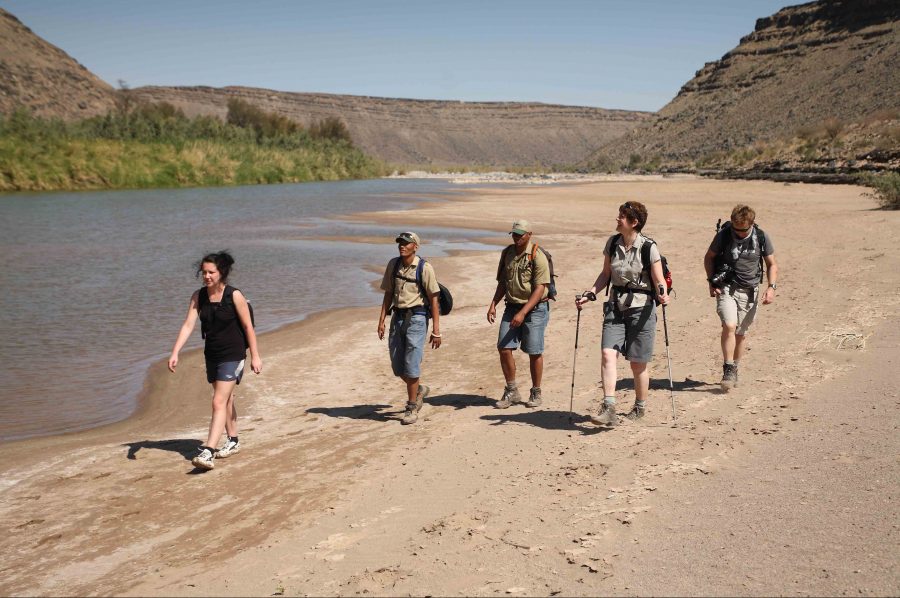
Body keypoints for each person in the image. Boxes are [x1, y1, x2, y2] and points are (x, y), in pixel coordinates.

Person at [576, 201, 669, 426]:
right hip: (615, 306)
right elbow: (606, 274)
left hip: (642, 309)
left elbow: (659, 280)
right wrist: (590, 293)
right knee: (608, 354)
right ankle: (609, 407)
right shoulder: (612, 243)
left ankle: (640, 406)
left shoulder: (648, 247)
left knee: (637, 364)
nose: (617, 219)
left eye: (621, 216)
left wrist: (663, 294)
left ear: (633, 222)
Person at [168, 251, 262, 470]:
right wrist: (175, 352)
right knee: (226, 400)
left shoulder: (234, 295)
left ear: (222, 272)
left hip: (234, 354)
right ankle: (233, 440)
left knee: (218, 401)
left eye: (211, 272)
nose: (207, 276)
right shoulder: (198, 296)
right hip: (212, 354)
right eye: (204, 272)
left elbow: (248, 327)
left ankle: (208, 451)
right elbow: (188, 325)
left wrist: (255, 356)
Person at [703, 204, 778, 391]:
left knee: (740, 334)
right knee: (729, 325)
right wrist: (711, 281)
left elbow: (772, 264)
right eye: (736, 229)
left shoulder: (761, 237)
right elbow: (709, 257)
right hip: (727, 286)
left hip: (750, 290)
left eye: (743, 230)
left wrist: (771, 287)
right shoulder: (724, 235)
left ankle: (735, 367)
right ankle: (728, 368)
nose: (739, 234)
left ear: (751, 224)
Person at [378, 232, 442, 425]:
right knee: (398, 367)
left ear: (416, 246)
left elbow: (433, 298)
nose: (402, 246)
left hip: (417, 319)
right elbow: (388, 293)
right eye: (400, 243)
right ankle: (419, 389)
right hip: (397, 318)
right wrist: (381, 320)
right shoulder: (393, 264)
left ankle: (411, 407)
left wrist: (436, 330)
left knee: (411, 362)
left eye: (406, 244)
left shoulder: (424, 268)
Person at [487, 220, 551, 409]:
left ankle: (536, 392)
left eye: (520, 234)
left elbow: (541, 288)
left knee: (534, 351)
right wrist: (493, 304)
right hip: (512, 306)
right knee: (504, 348)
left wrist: (523, 313)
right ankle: (512, 390)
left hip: (535, 309)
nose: (516, 237)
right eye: (514, 234)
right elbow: (503, 282)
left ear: (529, 234)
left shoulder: (537, 255)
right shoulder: (507, 253)